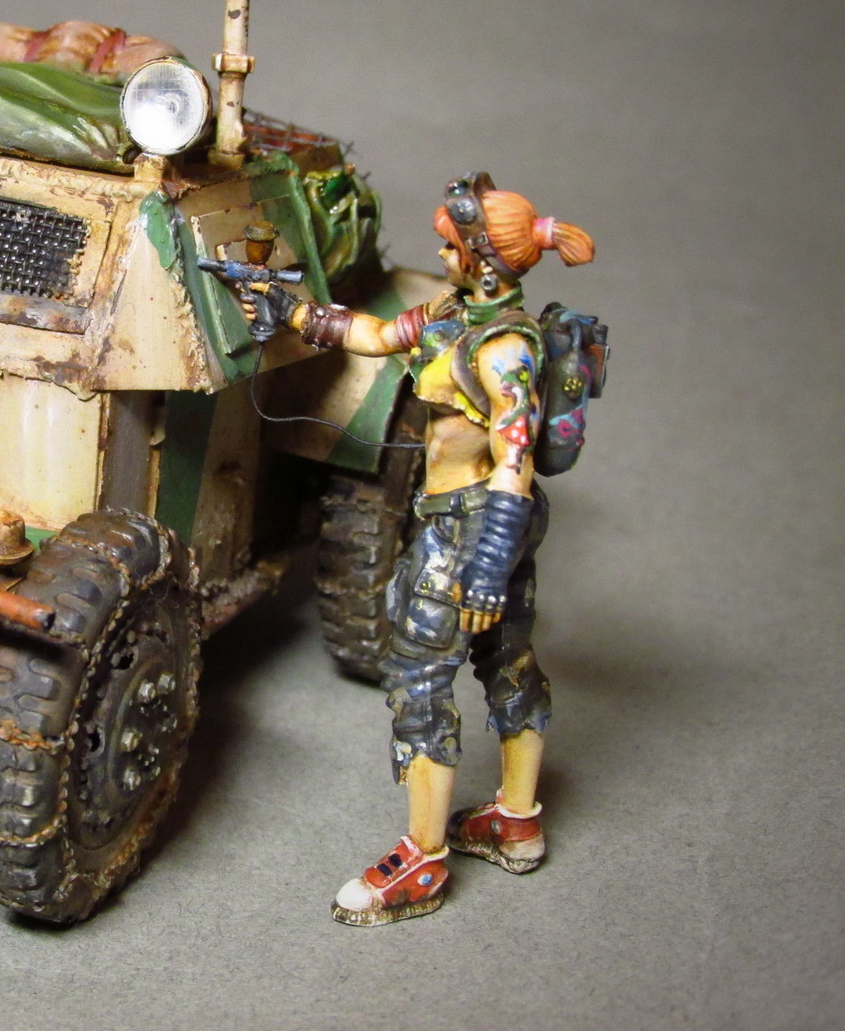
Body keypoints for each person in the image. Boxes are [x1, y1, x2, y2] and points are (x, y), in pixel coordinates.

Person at [254, 173, 596, 925]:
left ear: (485, 261)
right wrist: (296, 313)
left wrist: (487, 566)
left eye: (451, 245)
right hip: (475, 523)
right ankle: (515, 822)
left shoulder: (505, 350)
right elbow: (378, 337)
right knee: (506, 659)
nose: (440, 253)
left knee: (420, 680)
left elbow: (514, 462)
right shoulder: (453, 314)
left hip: (473, 527)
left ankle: (423, 860)